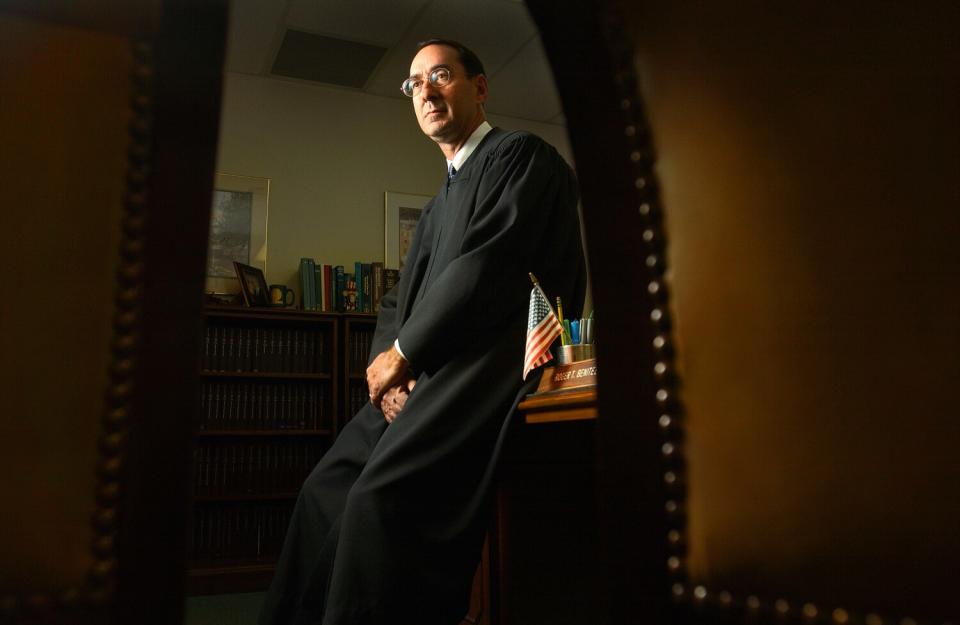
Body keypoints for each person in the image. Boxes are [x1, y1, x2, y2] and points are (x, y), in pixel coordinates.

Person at [259, 39, 586, 625]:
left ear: (479, 87)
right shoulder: (440, 202)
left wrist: (406, 355)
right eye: (414, 84)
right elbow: (397, 298)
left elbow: (487, 268)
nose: (426, 91)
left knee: (375, 503)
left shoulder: (522, 158)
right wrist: (387, 374)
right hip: (418, 373)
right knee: (322, 492)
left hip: (480, 369)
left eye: (441, 75)